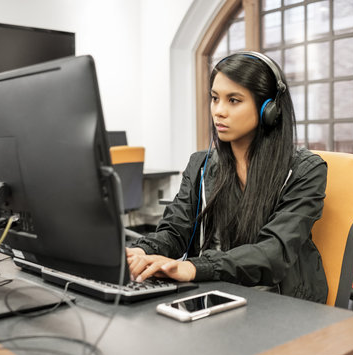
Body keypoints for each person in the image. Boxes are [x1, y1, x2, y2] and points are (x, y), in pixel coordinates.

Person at [127, 51, 328, 303]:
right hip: (217, 293)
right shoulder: (201, 165)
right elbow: (176, 231)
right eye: (214, 98)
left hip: (282, 303)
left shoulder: (304, 171)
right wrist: (140, 251)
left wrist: (195, 267)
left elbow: (274, 253)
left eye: (233, 100)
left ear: (270, 109)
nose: (218, 111)